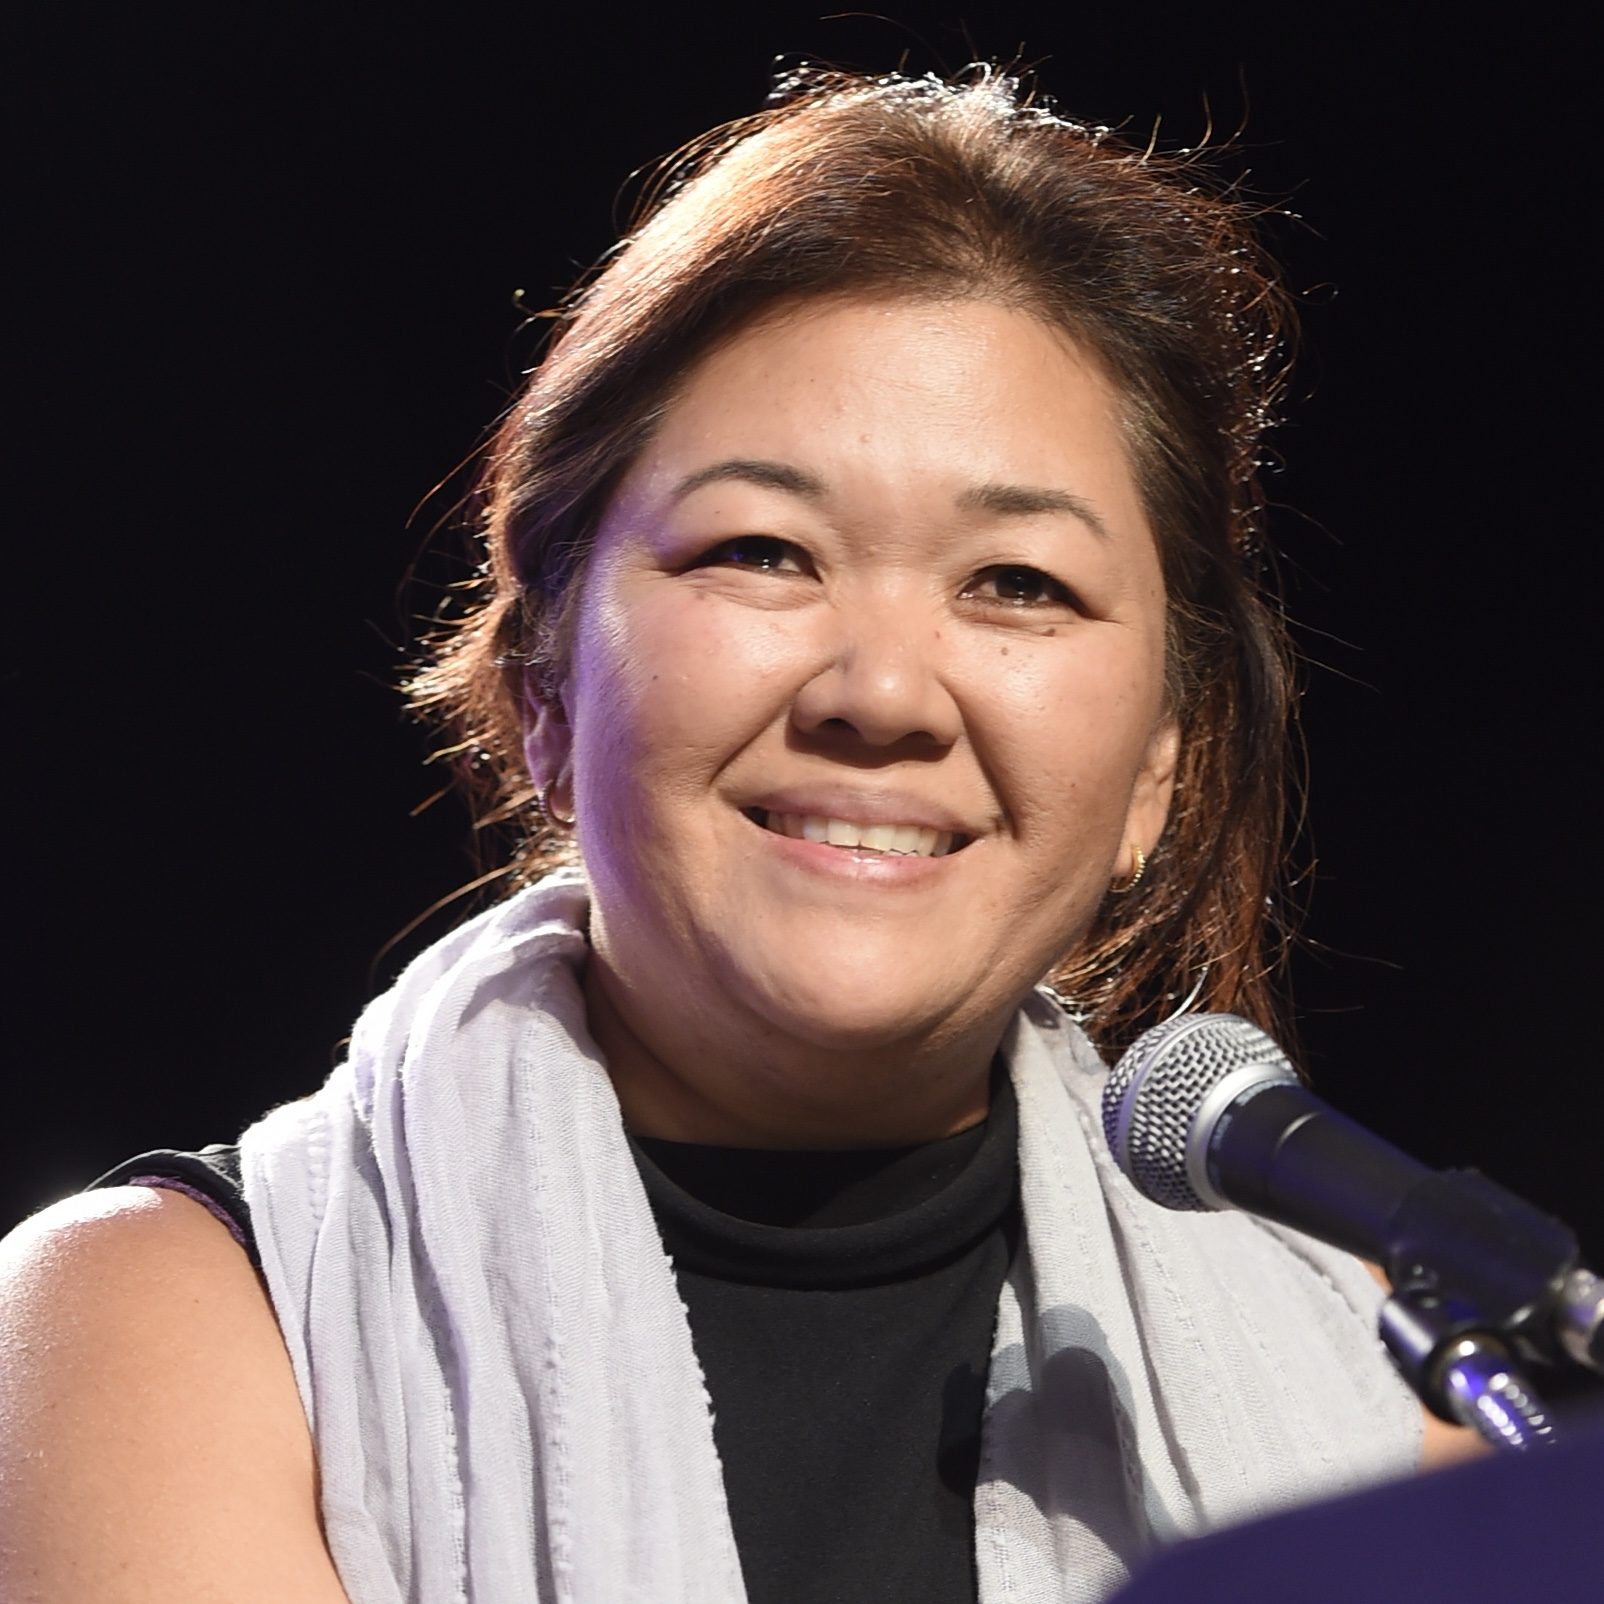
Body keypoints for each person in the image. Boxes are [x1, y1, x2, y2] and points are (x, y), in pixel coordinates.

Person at [0, 65, 1472, 1603]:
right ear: (542, 687)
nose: (882, 693)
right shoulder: (165, 1337)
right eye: (765, 552)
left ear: (1161, 765)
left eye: (1018, 583)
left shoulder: (1399, 1406)